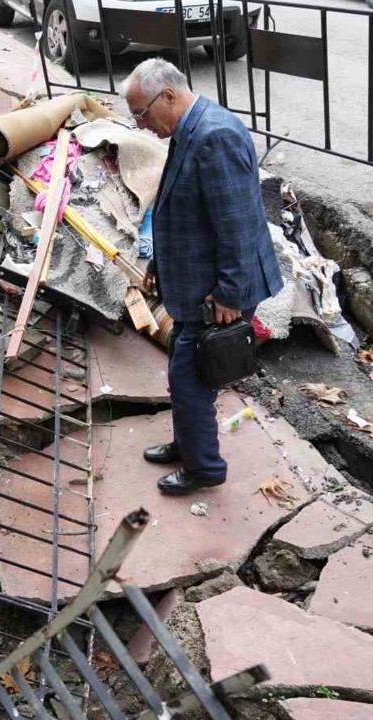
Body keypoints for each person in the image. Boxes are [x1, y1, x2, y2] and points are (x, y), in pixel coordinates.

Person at [123, 58, 283, 495]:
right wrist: (158, 264)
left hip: (217, 287)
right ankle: (188, 444)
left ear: (168, 96)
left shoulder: (215, 136)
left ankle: (204, 468)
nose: (140, 125)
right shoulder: (189, 128)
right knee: (184, 366)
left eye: (141, 113)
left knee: (188, 375)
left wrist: (230, 293)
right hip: (197, 278)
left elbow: (238, 223)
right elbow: (176, 202)